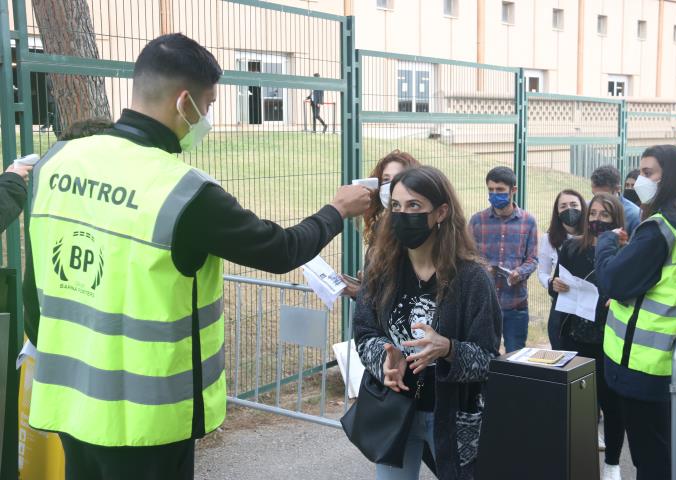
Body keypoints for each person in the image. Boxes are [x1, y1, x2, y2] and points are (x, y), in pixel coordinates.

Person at [23, 34, 371, 480]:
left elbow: (37, 290)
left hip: (71, 403)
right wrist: (337, 210)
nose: (205, 118)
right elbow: (281, 250)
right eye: (207, 107)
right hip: (145, 422)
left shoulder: (58, 162)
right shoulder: (184, 193)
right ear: (184, 102)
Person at [354, 166, 502, 480]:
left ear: (441, 212)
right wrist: (384, 359)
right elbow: (365, 331)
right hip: (395, 411)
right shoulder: (381, 268)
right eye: (396, 206)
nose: (402, 215)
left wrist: (447, 348)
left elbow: (488, 359)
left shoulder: (472, 279)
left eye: (414, 206)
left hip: (452, 416)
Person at [596, 145, 676, 479]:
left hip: (639, 363)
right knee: (674, 448)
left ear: (671, 177)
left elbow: (613, 281)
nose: (639, 180)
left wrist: (606, 245)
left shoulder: (660, 229)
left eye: (648, 172)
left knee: (650, 457)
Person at [550, 193, 625, 480]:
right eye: (593, 214)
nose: (596, 220)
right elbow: (556, 285)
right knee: (581, 405)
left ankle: (613, 464)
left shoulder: (626, 251)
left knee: (612, 404)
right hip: (575, 337)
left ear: (615, 218)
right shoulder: (571, 248)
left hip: (610, 342)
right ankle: (582, 458)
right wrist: (555, 284)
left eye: (604, 215)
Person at [469, 166, 538, 353]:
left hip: (515, 303)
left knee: (515, 358)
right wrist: (483, 269)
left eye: (499, 190)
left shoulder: (528, 221)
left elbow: (532, 259)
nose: (494, 194)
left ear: (513, 190)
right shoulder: (477, 221)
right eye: (490, 190)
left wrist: (520, 272)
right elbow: (468, 257)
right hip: (484, 304)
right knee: (483, 355)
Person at [343, 150, 420, 298]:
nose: (390, 185)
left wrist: (363, 293)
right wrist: (368, 283)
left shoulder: (416, 231)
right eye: (386, 179)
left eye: (398, 178)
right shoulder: (379, 226)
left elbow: (408, 289)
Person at [538, 189, 586, 349]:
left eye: (573, 204)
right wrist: (551, 282)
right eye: (563, 206)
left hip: (587, 308)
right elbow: (542, 272)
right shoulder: (549, 239)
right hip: (561, 307)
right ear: (557, 212)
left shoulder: (592, 237)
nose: (569, 209)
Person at [591, 165, 641, 233]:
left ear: (617, 189)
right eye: (595, 196)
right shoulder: (590, 208)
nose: (599, 200)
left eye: (604, 197)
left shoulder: (634, 215)